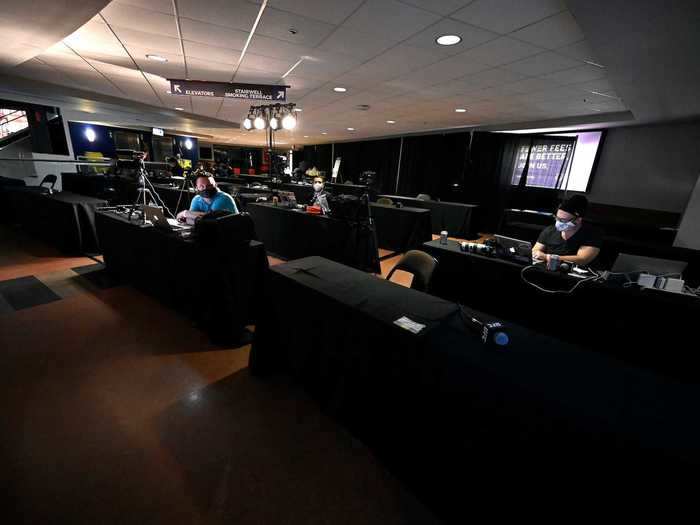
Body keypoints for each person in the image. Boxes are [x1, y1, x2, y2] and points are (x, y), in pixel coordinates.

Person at [532, 194, 602, 267]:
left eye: (563, 220)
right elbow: (535, 250)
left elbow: (582, 260)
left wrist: (549, 257)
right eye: (557, 218)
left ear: (578, 220)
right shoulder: (550, 230)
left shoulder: (592, 234)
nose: (559, 222)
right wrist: (537, 254)